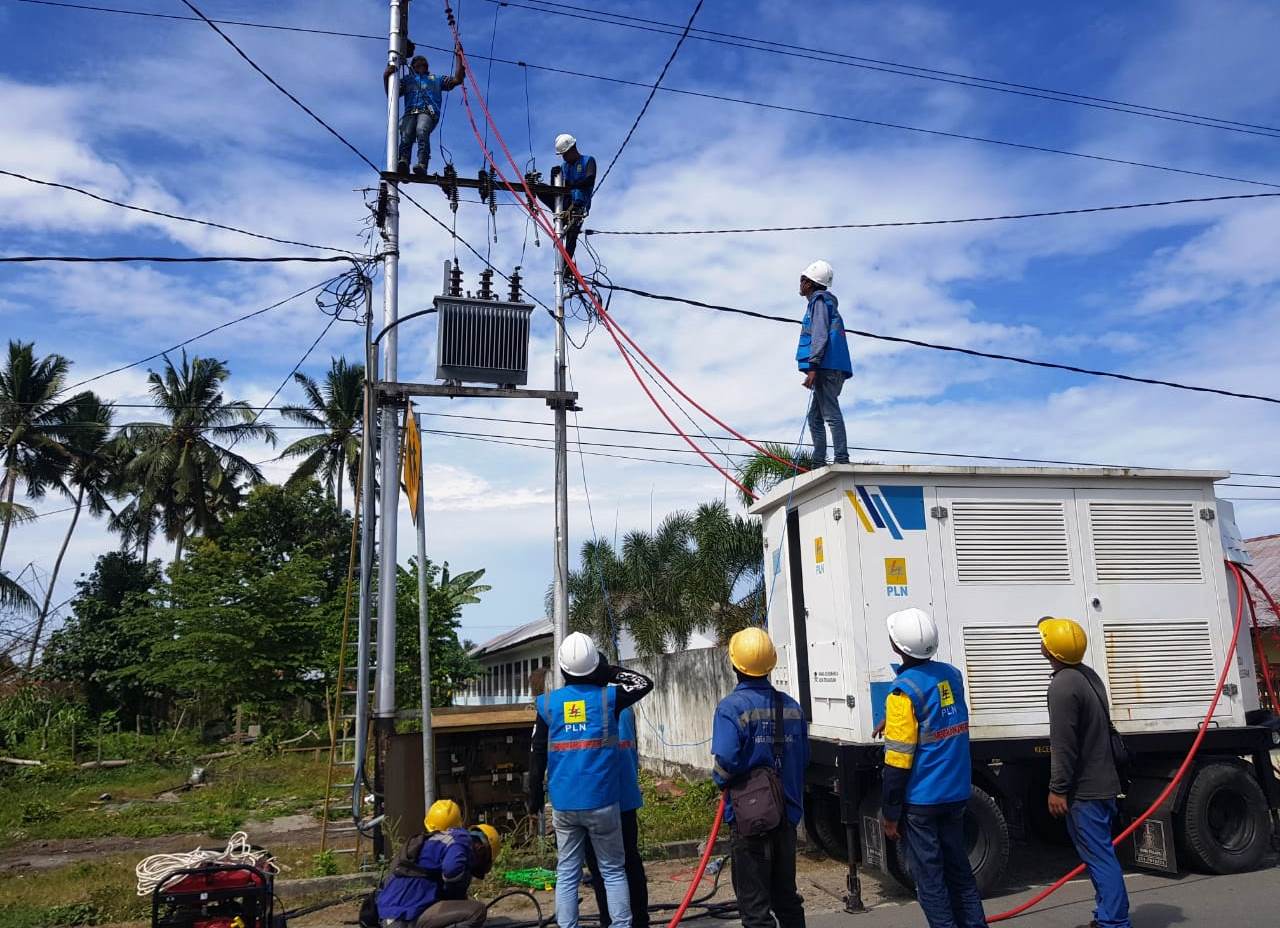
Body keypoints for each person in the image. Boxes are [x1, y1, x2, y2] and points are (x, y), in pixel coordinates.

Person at [528, 632, 654, 928]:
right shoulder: (609, 701)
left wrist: (533, 798)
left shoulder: (548, 705)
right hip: (606, 799)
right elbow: (643, 683)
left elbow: (536, 756)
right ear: (596, 667)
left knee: (568, 872)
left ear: (561, 669)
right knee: (615, 870)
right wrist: (606, 670)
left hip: (565, 803)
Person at [880, 608, 986, 928]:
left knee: (931, 883)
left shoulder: (903, 692)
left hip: (922, 801)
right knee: (960, 874)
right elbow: (939, 716)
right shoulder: (951, 675)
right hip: (955, 793)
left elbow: (897, 763)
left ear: (897, 647)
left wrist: (889, 813)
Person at [710, 627, 808, 928]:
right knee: (787, 899)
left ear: (735, 664)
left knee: (755, 909)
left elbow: (726, 761)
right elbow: (802, 757)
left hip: (748, 820)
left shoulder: (731, 708)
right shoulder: (791, 707)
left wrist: (719, 779)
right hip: (787, 816)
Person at [1039, 617, 1130, 928]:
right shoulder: (1087, 675)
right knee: (1100, 855)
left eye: (1044, 639)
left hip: (1086, 791)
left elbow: (1063, 745)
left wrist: (1057, 788)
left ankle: (1114, 922)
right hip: (1103, 783)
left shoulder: (1062, 685)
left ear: (1050, 649)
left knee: (1100, 857)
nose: (1041, 642)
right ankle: (1106, 915)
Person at [374, 799, 500, 928]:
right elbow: (452, 871)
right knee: (476, 911)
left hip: (387, 915)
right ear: (482, 850)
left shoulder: (426, 843)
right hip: (405, 917)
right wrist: (456, 891)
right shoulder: (461, 840)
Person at [584, 705, 649, 928]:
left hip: (598, 799)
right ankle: (640, 920)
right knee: (631, 861)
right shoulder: (624, 708)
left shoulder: (590, 707)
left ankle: (611, 921)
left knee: (603, 869)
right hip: (626, 796)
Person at [795, 260, 852, 466]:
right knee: (815, 418)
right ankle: (818, 462)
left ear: (810, 284)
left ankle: (841, 459)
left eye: (803, 280)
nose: (800, 284)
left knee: (830, 414)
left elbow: (819, 335)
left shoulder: (819, 302)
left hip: (825, 367)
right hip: (832, 367)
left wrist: (813, 367)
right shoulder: (824, 303)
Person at [384, 47, 465, 175]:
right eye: (417, 64)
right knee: (406, 134)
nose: (420, 65)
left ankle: (422, 163)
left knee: (421, 130)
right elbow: (392, 94)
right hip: (410, 112)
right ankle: (403, 161)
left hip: (427, 112)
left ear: (426, 66)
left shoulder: (436, 79)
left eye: (423, 64)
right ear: (413, 67)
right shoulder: (408, 80)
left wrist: (459, 57)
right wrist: (386, 76)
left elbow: (457, 79)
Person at [536, 133, 596, 260]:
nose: (564, 157)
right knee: (539, 188)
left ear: (573, 148)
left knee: (571, 237)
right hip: (563, 203)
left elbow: (590, 180)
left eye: (565, 154)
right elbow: (557, 190)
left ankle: (567, 269)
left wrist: (572, 185)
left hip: (577, 206)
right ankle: (559, 214)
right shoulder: (565, 167)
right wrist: (554, 177)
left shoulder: (588, 161)